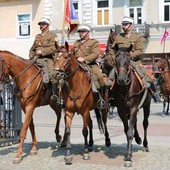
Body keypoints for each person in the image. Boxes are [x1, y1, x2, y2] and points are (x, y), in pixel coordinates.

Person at [106, 16, 155, 91]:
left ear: (131, 25)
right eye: (123, 24)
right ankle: (109, 88)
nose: (123, 26)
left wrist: (129, 56)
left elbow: (140, 51)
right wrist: (115, 58)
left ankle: (150, 90)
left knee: (146, 76)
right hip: (121, 62)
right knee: (112, 72)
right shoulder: (118, 37)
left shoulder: (137, 37)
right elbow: (112, 50)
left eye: (125, 24)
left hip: (134, 61)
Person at [72, 24, 106, 108]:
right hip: (77, 65)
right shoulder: (76, 43)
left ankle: (101, 98)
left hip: (90, 65)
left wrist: (84, 59)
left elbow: (95, 54)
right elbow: (72, 54)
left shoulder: (93, 42)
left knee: (99, 76)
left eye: (83, 31)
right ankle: (62, 98)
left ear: (88, 33)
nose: (81, 33)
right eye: (80, 32)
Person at [29, 17, 59, 102]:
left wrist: (41, 52)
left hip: (47, 59)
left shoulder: (52, 36)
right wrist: (31, 55)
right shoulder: (37, 36)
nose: (41, 26)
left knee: (52, 75)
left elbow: (53, 48)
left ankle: (54, 95)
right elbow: (32, 48)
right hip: (35, 59)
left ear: (47, 25)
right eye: (40, 24)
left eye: (43, 24)